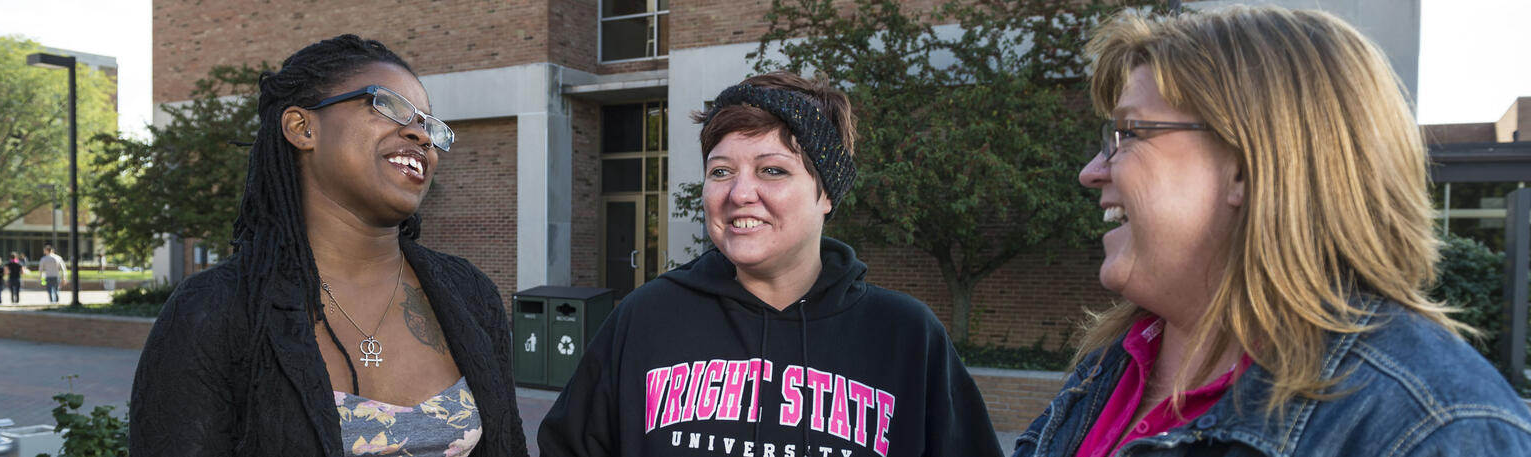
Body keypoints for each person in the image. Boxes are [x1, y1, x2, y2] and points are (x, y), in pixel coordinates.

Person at [1014, 6, 1531, 457]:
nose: (1091, 172)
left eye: (1128, 133)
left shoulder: (1433, 426)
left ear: (1246, 165)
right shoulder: (1115, 365)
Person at [538, 71, 1003, 457]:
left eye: (772, 170)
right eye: (720, 171)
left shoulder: (905, 336)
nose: (739, 193)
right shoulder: (646, 318)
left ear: (825, 194)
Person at [129, 34, 528, 457]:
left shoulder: (470, 294)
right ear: (303, 128)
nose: (421, 136)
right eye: (389, 106)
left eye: (430, 126)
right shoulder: (216, 309)